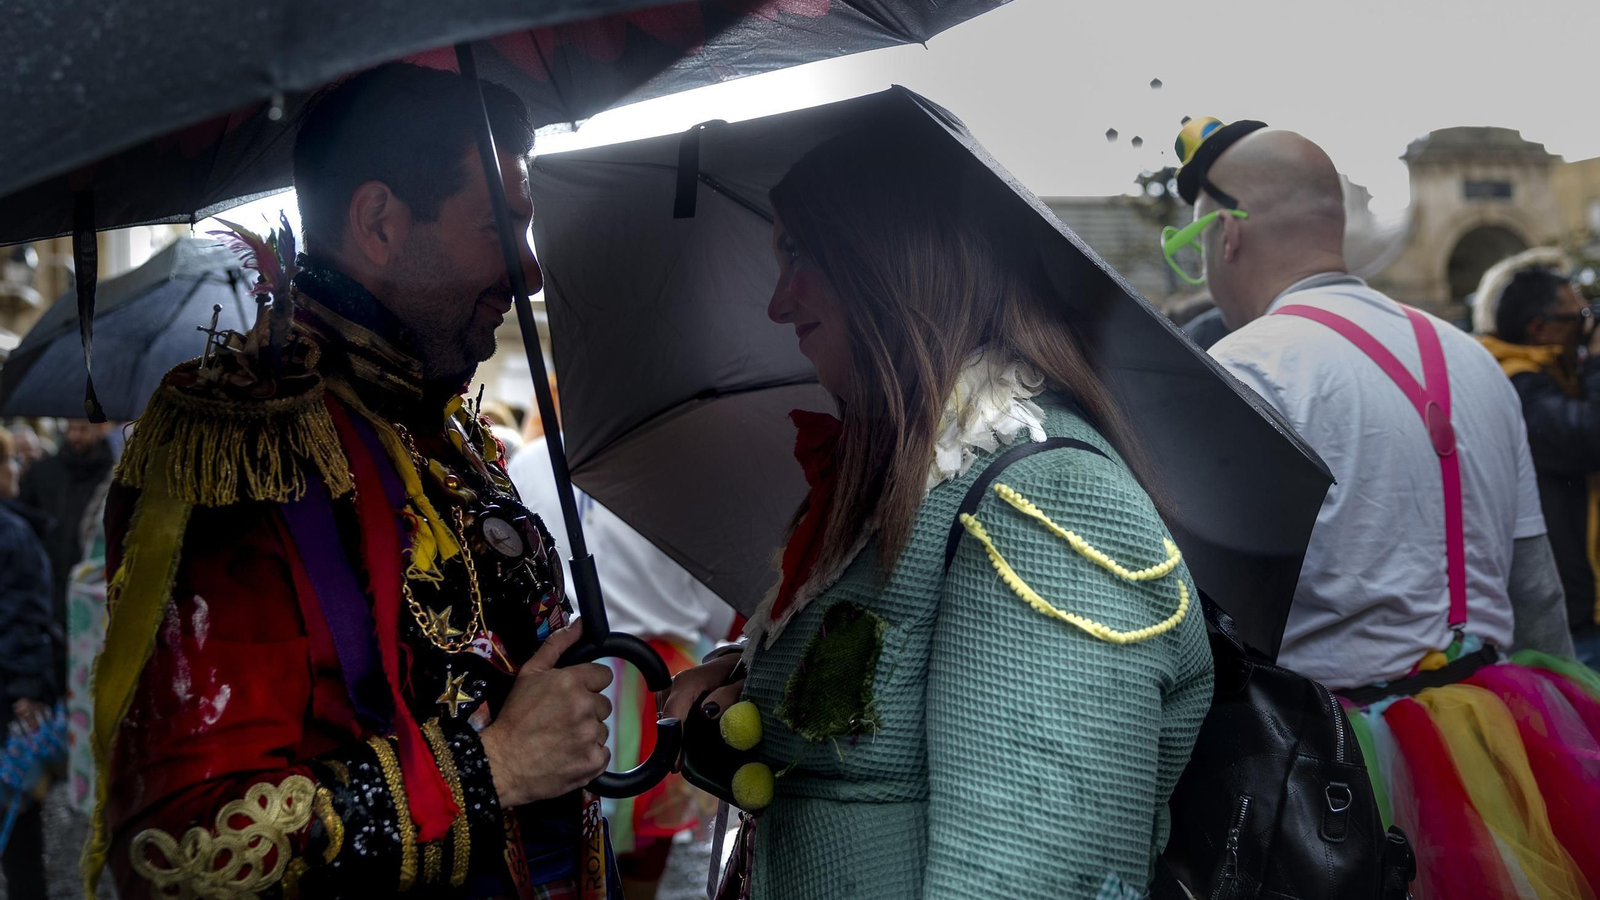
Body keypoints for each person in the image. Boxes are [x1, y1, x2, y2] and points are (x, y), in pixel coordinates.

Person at [88, 63, 622, 899]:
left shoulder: (441, 431)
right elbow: (180, 847)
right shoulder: (246, 443)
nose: (531, 271)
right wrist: (491, 768)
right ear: (378, 220)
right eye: (496, 227)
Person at [665, 132, 1213, 900]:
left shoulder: (1049, 504)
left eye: (800, 254)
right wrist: (743, 692)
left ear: (886, 260)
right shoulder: (911, 486)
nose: (778, 300)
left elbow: (1035, 880)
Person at [1184, 116, 1599, 899]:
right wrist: (1568, 743)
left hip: (1330, 779)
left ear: (1226, 234)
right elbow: (1535, 589)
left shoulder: (1244, 369)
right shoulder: (1473, 359)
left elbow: (1202, 621)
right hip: (1504, 743)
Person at [510, 422, 734, 899]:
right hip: (655, 672)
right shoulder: (684, 467)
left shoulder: (529, 464)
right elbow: (717, 604)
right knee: (635, 865)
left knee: (565, 841)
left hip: (563, 673)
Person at [1482, 267, 1600, 668]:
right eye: (1579, 318)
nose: (1587, 329)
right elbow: (1591, 437)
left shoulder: (1552, 376)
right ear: (1541, 328)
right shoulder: (1515, 386)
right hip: (1571, 616)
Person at [0, 426, 58, 900]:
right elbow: (25, 616)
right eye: (8, 463)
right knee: (16, 815)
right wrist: (27, 688)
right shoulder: (12, 532)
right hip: (6, 697)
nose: (15, 470)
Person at [18, 417, 113, 677]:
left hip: (92, 597)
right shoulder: (43, 473)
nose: (75, 436)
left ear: (100, 428)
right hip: (47, 594)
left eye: (83, 429)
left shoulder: (114, 478)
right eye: (71, 428)